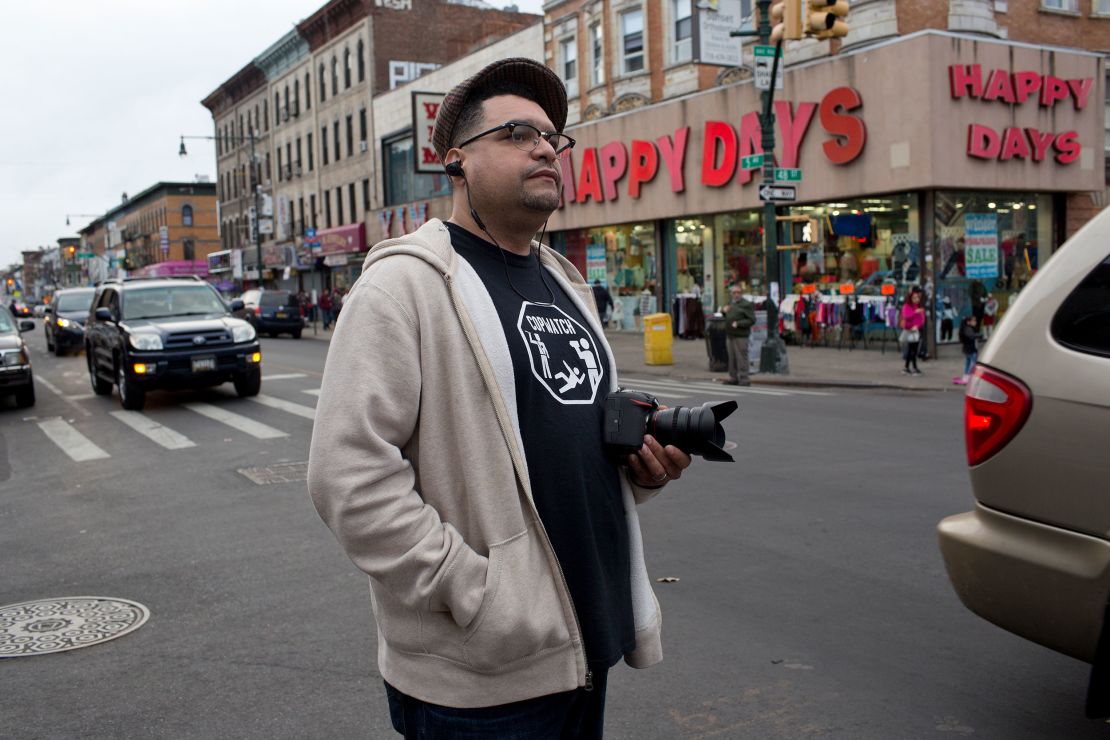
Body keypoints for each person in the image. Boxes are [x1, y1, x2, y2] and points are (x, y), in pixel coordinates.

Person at [308, 57, 692, 739]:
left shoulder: (566, 285)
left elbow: (554, 450)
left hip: (582, 642)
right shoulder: (402, 288)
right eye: (517, 133)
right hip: (482, 678)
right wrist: (478, 594)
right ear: (456, 160)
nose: (546, 146)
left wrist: (640, 470)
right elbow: (348, 479)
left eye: (553, 137)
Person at [721, 284, 755, 386]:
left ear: (741, 293)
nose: (736, 295)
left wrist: (739, 323)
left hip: (741, 335)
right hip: (730, 334)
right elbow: (727, 315)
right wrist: (723, 311)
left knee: (741, 357)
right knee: (732, 358)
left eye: (738, 293)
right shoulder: (731, 303)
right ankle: (733, 377)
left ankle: (744, 378)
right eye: (734, 293)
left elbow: (752, 319)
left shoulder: (746, 304)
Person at [900, 288, 925, 375]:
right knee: (912, 349)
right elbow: (907, 316)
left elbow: (922, 319)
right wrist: (915, 312)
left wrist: (917, 326)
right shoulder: (907, 306)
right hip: (909, 330)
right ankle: (913, 367)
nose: (916, 300)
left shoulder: (919, 307)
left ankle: (907, 367)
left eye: (917, 298)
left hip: (915, 330)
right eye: (914, 298)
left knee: (913, 349)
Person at [954, 313, 981, 385]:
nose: (975, 322)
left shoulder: (967, 328)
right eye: (973, 320)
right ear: (968, 322)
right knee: (972, 364)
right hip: (971, 349)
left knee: (968, 363)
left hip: (968, 349)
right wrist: (979, 335)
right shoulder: (968, 329)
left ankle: (966, 377)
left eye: (975, 320)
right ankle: (968, 377)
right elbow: (971, 336)